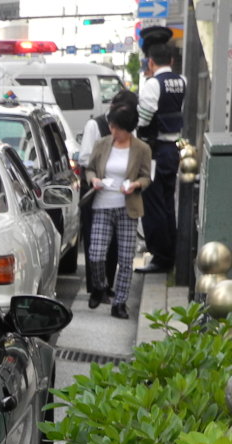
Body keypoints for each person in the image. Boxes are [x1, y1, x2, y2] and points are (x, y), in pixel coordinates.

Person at [84, 103, 152, 319]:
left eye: (118, 129)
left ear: (129, 128)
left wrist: (134, 185)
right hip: (102, 203)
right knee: (95, 254)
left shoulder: (141, 148)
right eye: (112, 127)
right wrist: (93, 179)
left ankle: (120, 303)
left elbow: (146, 177)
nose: (114, 132)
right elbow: (90, 168)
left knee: (125, 257)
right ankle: (100, 287)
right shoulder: (103, 144)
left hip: (127, 206)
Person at [79, 89, 139, 293]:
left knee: (118, 246)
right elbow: (85, 158)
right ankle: (96, 288)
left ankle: (110, 285)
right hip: (97, 190)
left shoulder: (131, 126)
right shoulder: (95, 125)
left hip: (123, 195)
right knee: (95, 245)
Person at [135, 42, 186, 274]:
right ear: (172, 61)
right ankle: (171, 251)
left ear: (151, 62)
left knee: (152, 204)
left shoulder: (153, 84)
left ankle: (160, 257)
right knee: (167, 203)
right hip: (173, 149)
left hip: (154, 151)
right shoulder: (182, 81)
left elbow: (144, 119)